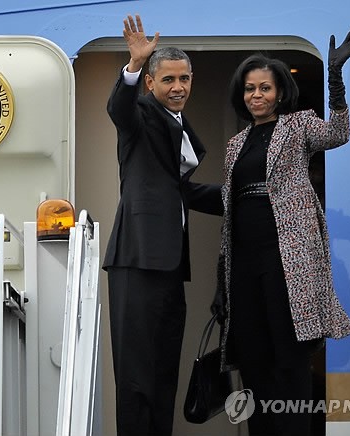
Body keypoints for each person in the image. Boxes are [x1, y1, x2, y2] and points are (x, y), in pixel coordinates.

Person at [212, 28, 350, 435]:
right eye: (249, 89)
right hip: (244, 264)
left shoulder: (298, 126)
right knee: (254, 359)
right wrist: (220, 280)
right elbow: (229, 207)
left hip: (288, 260)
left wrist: (335, 76)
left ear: (279, 93)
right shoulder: (234, 144)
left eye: (264, 87)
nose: (256, 95)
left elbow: (339, 133)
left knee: (290, 358)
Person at [102, 14, 222, 436]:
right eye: (168, 79)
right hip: (137, 259)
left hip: (170, 267)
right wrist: (134, 66)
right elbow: (119, 108)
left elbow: (182, 191)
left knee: (163, 370)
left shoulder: (179, 127)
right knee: (136, 376)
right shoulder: (139, 116)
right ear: (151, 84)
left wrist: (246, 198)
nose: (178, 87)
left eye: (184, 78)